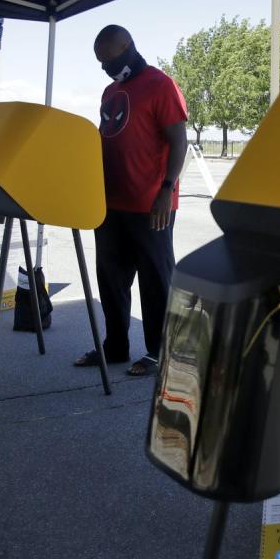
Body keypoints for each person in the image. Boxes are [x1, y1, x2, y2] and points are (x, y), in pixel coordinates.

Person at [74, 25, 188, 376]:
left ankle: (158, 351)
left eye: (109, 57)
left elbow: (179, 140)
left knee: (155, 281)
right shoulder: (111, 91)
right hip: (110, 204)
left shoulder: (160, 84)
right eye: (100, 61)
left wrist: (166, 189)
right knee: (111, 279)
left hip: (151, 204)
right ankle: (116, 346)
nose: (106, 66)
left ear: (127, 46)